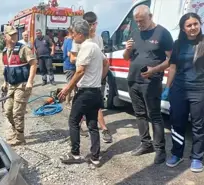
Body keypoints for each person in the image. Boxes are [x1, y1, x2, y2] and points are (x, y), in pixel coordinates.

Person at [123, 5, 173, 164]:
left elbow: (171, 60)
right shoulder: (135, 32)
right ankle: (146, 144)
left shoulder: (163, 33)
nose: (139, 24)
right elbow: (126, 58)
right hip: (133, 80)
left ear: (150, 16)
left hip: (151, 82)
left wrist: (154, 70)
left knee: (155, 116)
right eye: (136, 21)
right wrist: (127, 50)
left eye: (141, 21)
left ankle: (160, 150)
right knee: (139, 114)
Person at [57, 19, 104, 167]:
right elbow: (106, 63)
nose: (71, 37)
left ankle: (75, 154)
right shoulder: (95, 47)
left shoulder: (85, 47)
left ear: (78, 34)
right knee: (92, 124)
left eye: (72, 34)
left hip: (85, 92)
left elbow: (80, 71)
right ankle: (95, 157)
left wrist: (67, 89)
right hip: (96, 91)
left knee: (73, 121)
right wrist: (99, 78)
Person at [161, 13, 204, 172]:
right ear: (183, 28)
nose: (193, 27)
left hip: (199, 90)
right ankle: (177, 154)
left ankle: (197, 157)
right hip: (178, 90)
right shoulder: (178, 44)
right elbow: (173, 67)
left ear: (200, 24)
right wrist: (167, 88)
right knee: (177, 122)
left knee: (198, 125)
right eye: (189, 25)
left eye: (195, 24)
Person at [70, 11, 112, 143]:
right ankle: (99, 128)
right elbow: (72, 58)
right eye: (89, 24)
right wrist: (86, 58)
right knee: (85, 109)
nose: (91, 27)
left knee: (93, 107)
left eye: (93, 24)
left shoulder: (98, 39)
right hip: (84, 79)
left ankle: (103, 129)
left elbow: (104, 61)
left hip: (96, 78)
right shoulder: (78, 38)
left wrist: (100, 76)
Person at [1, 26, 37, 146]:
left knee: (17, 112)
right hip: (11, 85)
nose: (14, 36)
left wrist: (30, 81)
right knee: (7, 111)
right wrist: (4, 82)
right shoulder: (5, 51)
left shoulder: (23, 49)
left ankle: (20, 138)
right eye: (11, 35)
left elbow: (33, 64)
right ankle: (16, 131)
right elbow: (6, 68)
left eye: (15, 34)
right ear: (5, 36)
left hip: (22, 85)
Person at [62, 26, 76, 107]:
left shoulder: (66, 40)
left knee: (71, 84)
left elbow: (62, 48)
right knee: (71, 84)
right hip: (70, 66)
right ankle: (68, 102)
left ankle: (70, 101)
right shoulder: (70, 41)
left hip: (67, 65)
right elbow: (69, 54)